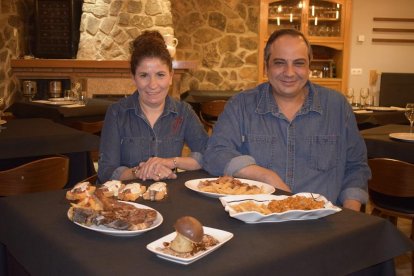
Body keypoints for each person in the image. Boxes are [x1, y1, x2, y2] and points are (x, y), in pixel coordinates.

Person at [203, 29, 371, 211]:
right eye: (279, 63)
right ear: (266, 67)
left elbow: (356, 166)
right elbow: (215, 153)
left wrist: (349, 217)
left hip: (325, 223)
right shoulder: (241, 105)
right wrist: (265, 176)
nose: (289, 73)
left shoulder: (337, 106)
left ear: (309, 67)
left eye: (298, 63)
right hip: (259, 220)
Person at [98, 30, 208, 183]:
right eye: (144, 75)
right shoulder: (117, 113)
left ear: (170, 76)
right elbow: (106, 172)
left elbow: (210, 155)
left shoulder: (184, 113)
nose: (153, 85)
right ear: (133, 78)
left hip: (169, 197)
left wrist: (170, 162)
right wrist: (141, 172)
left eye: (160, 75)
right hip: (126, 201)